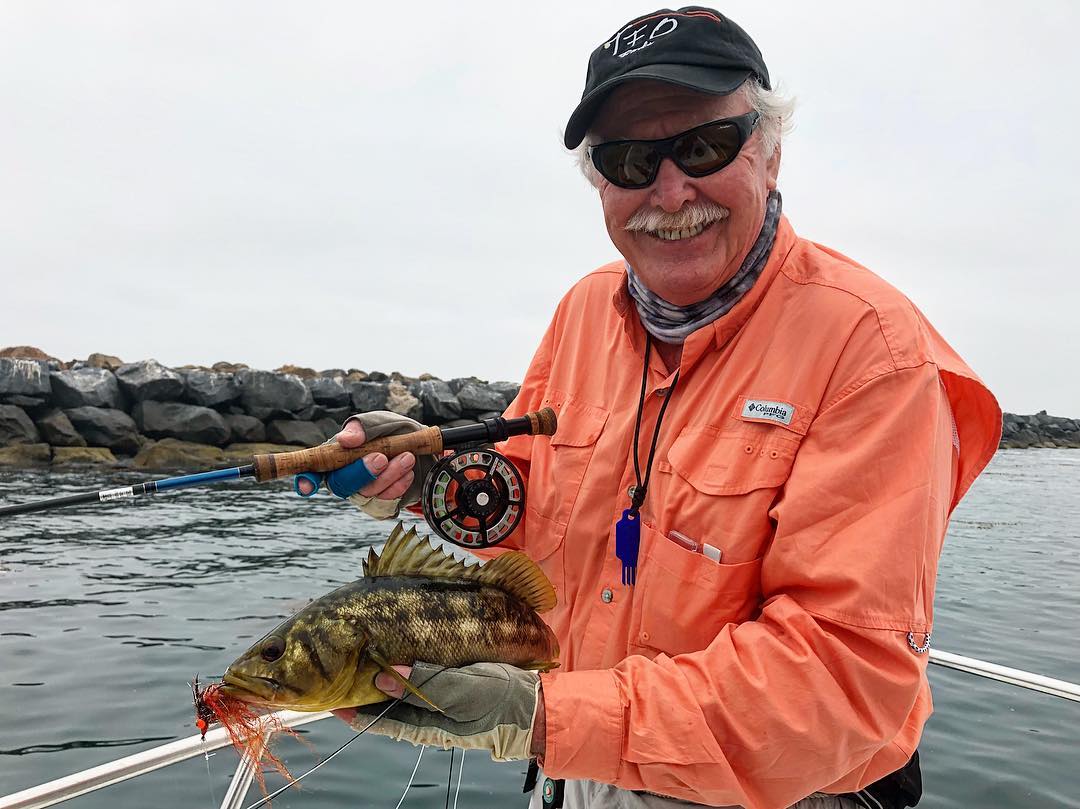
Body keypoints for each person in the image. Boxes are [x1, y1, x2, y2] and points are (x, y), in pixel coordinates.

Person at [295, 8, 1001, 809]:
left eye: (704, 147)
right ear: (600, 183)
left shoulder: (873, 348)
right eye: (630, 161)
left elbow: (842, 682)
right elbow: (530, 509)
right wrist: (437, 484)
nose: (670, 191)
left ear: (769, 150)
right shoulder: (583, 312)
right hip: (576, 765)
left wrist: (537, 714)